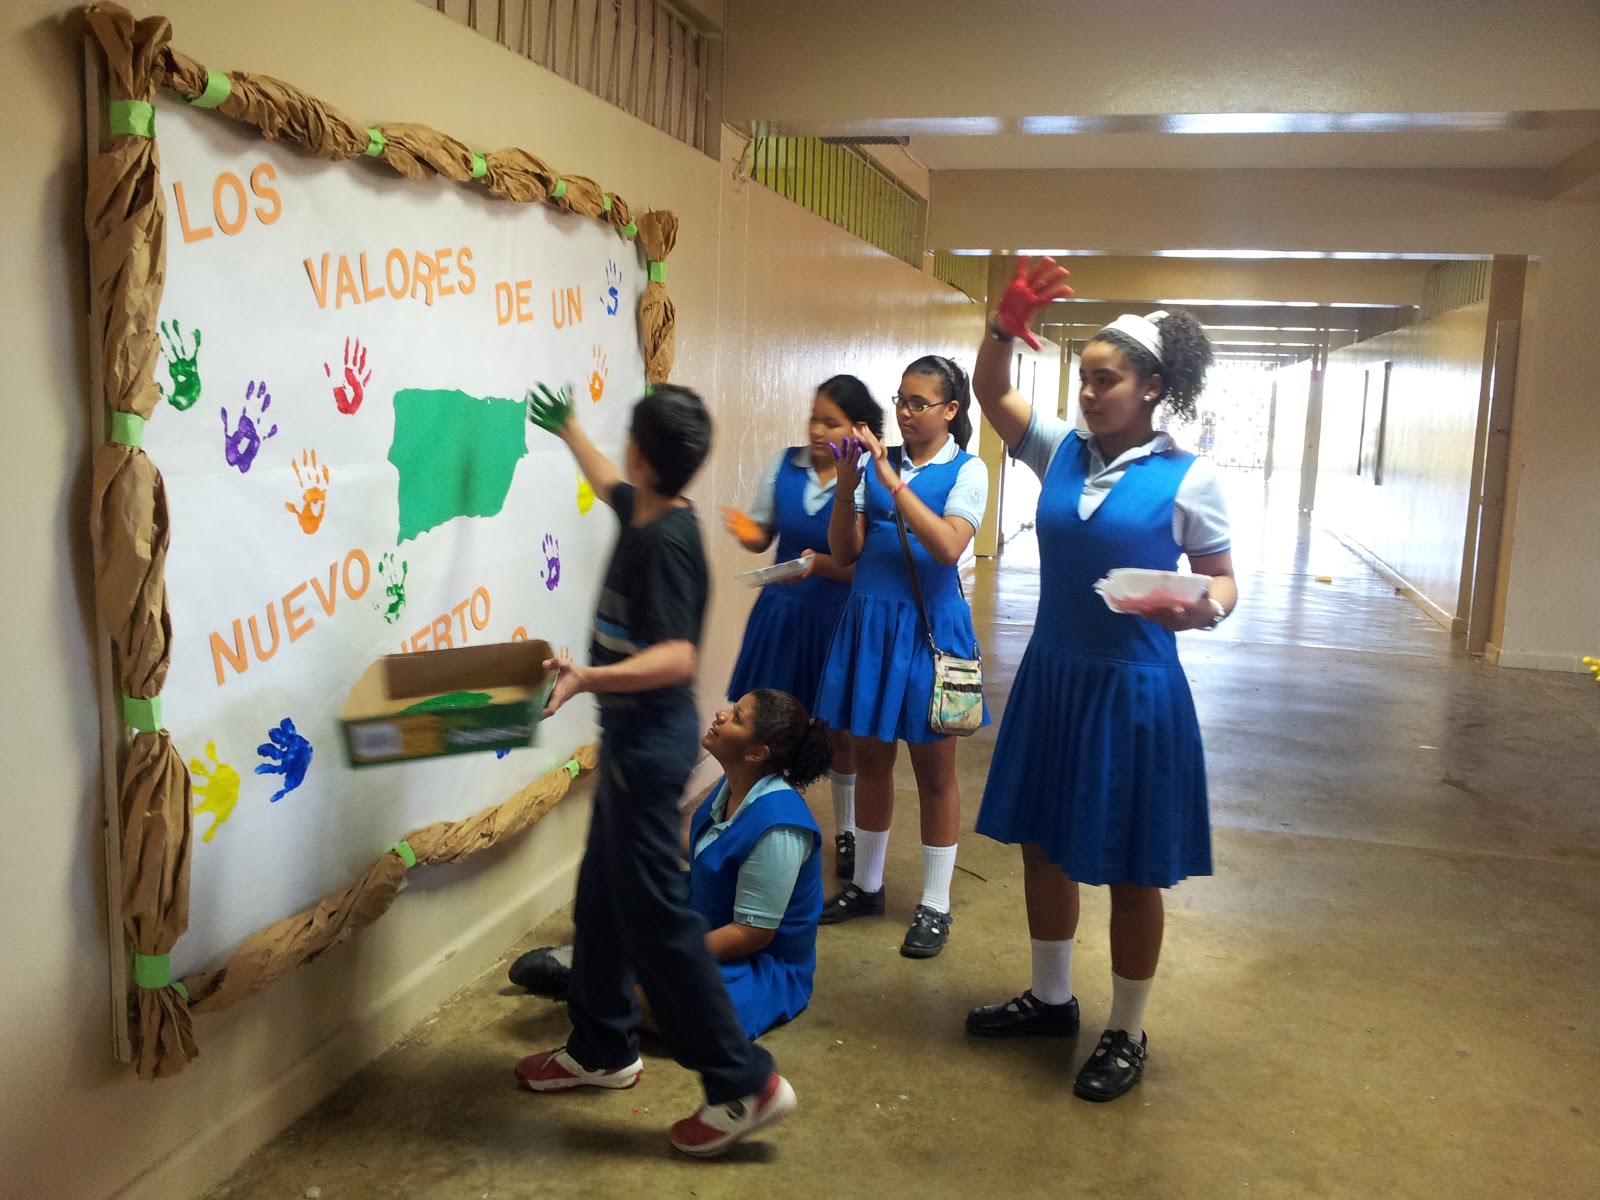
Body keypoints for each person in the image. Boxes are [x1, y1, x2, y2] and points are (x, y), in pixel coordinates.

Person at [965, 258, 1237, 1103]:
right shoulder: (1061, 451)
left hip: (1134, 690)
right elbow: (990, 392)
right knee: (1043, 844)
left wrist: (1206, 608)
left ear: (1152, 387)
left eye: (1105, 380)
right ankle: (1051, 1000)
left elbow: (1223, 579)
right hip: (1055, 675)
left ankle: (1127, 1029)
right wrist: (1002, 328)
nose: (1087, 394)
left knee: (1131, 866)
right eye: (1082, 377)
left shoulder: (1190, 478)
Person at [513, 381, 795, 1158]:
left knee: (661, 925)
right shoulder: (644, 505)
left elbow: (676, 658)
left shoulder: (668, 542)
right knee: (602, 899)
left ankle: (743, 1083)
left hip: (649, 743)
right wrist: (569, 429)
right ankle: (603, 1048)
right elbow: (609, 480)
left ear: (645, 452)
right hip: (634, 741)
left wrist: (585, 680)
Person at [510, 689, 831, 1040]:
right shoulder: (735, 783)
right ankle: (607, 972)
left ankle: (602, 975)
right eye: (731, 708)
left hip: (758, 962)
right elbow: (707, 849)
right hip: (708, 912)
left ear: (757, 753)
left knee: (663, 1007)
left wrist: (671, 955)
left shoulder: (779, 829)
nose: (721, 715)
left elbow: (752, 934)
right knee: (617, 891)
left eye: (737, 717)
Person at [811, 356, 989, 959]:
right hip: (869, 625)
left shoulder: (969, 471)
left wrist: (890, 482)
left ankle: (935, 904)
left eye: (919, 403)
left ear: (950, 410)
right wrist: (845, 489)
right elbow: (845, 551)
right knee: (869, 759)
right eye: (902, 401)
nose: (906, 413)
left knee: (935, 772)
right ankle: (866, 884)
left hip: (928, 632)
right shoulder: (872, 470)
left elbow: (945, 547)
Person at [721, 375, 886, 881]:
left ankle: (847, 832)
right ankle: (750, 823)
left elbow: (864, 562)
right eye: (814, 417)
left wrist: (822, 566)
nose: (816, 430)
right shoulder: (783, 464)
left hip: (836, 617)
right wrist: (750, 535)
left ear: (858, 429)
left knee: (837, 732)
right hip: (781, 614)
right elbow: (764, 534)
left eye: (830, 422)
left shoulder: (867, 480)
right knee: (763, 724)